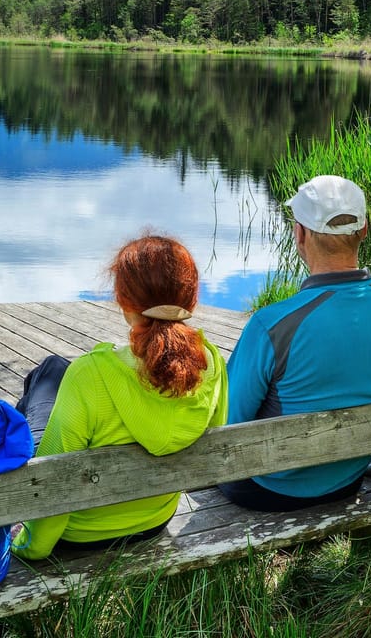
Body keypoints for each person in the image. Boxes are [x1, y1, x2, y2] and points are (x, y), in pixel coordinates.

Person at [12, 234, 229, 559]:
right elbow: (213, 445)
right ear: (192, 299)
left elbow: (56, 481)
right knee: (55, 371)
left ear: (124, 301)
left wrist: (30, 547)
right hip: (154, 521)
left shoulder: (91, 373)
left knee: (48, 374)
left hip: (78, 536)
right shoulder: (212, 364)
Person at [220, 174, 371, 510]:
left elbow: (229, 423)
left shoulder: (271, 325)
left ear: (299, 234)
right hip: (346, 479)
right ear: (365, 229)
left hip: (267, 489)